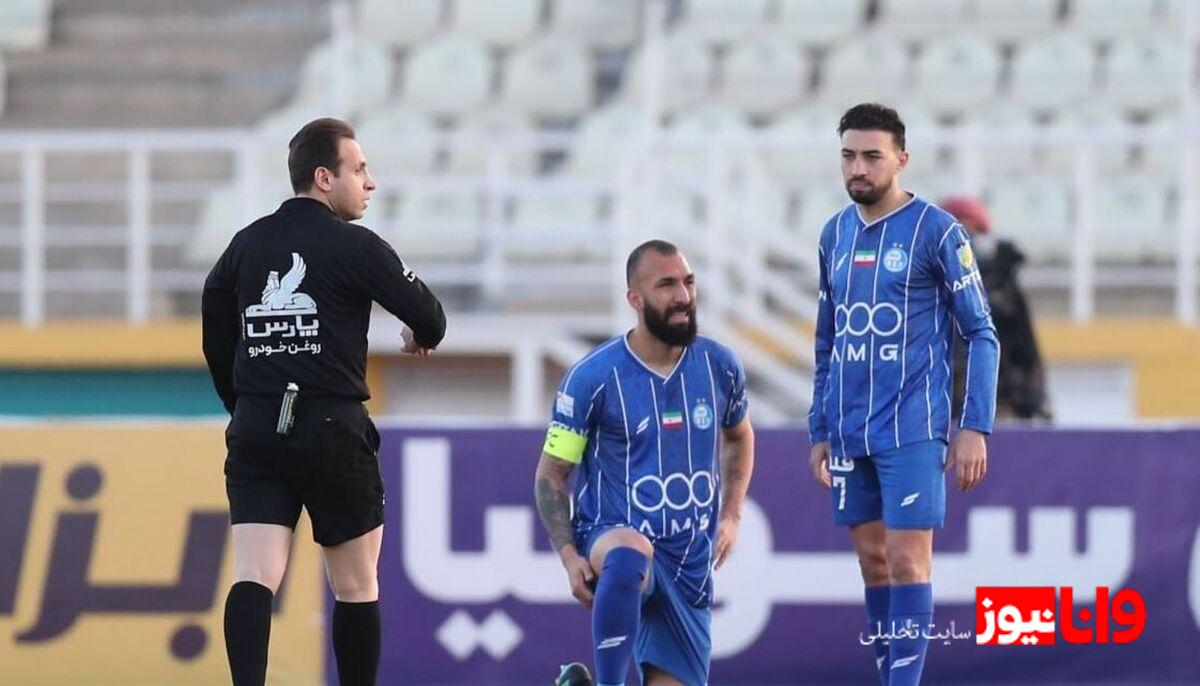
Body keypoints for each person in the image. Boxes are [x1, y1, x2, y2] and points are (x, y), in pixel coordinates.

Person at [201, 117, 446, 686]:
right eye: (358, 170)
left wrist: (246, 403)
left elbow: (215, 332)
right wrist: (418, 335)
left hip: (258, 427)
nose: (370, 182)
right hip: (333, 426)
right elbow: (431, 318)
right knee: (355, 585)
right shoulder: (355, 246)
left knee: (254, 574)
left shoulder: (245, 245)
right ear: (323, 178)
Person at [806, 104, 999, 686]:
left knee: (907, 560)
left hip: (913, 427)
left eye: (872, 156)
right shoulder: (834, 233)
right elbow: (828, 339)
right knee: (873, 564)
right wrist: (820, 427)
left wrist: (974, 426)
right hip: (848, 431)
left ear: (901, 160)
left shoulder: (938, 232)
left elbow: (981, 332)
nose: (857, 168)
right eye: (848, 156)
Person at [535, 239, 756, 686]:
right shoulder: (592, 378)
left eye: (689, 282)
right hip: (614, 540)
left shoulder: (720, 366)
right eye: (666, 285)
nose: (683, 296)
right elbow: (552, 475)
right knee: (630, 552)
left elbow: (739, 436)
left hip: (689, 567)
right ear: (635, 298)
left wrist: (732, 515)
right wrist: (569, 556)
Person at [940, 196, 1051, 421]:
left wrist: (1036, 402)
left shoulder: (1004, 288)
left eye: (972, 231)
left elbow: (1027, 352)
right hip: (938, 409)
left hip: (998, 406)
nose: (965, 240)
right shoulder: (924, 287)